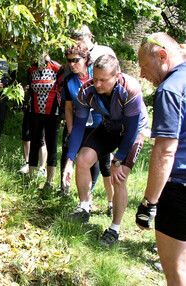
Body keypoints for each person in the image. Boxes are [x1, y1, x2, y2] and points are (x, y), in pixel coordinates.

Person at [62, 54, 149, 246]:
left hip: (132, 133)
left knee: (119, 177)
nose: (98, 84)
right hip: (109, 127)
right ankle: (84, 208)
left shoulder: (130, 89)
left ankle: (114, 228)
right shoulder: (87, 90)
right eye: (95, 79)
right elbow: (78, 126)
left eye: (103, 80)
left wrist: (117, 161)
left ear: (116, 76)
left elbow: (132, 131)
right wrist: (70, 159)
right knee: (83, 159)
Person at [136, 33, 186, 285]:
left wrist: (149, 203)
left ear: (163, 57)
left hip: (179, 189)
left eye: (144, 66)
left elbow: (165, 151)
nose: (143, 75)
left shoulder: (170, 89)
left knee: (177, 272)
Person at [60, 42, 114, 210]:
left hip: (102, 124)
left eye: (75, 60)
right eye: (68, 61)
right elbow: (69, 106)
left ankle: (111, 202)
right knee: (85, 161)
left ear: (86, 58)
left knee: (105, 165)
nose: (72, 64)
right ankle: (86, 202)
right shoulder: (69, 80)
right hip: (81, 124)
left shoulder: (96, 75)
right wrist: (70, 128)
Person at [26, 52, 63, 188]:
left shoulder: (57, 68)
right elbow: (30, 87)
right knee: (34, 143)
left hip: (53, 112)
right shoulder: (31, 69)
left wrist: (63, 113)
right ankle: (31, 179)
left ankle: (49, 181)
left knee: (52, 144)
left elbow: (62, 89)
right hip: (35, 111)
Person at [19, 85, 47, 176]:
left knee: (41, 139)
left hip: (44, 108)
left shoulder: (51, 72)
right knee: (26, 134)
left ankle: (42, 168)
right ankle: (27, 163)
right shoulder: (32, 71)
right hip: (31, 106)